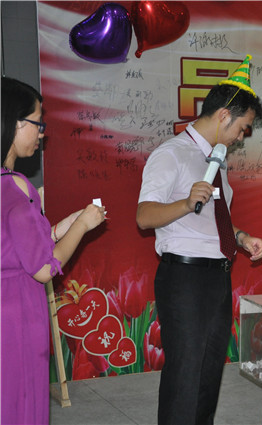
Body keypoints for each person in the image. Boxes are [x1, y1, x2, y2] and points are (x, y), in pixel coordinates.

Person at [136, 56, 262, 425]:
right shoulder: (171, 154)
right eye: (242, 128)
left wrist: (241, 237)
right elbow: (144, 216)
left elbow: (210, 219)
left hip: (217, 277)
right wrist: (184, 202)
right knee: (185, 375)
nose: (241, 137)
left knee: (209, 375)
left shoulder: (216, 160)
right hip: (185, 278)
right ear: (224, 115)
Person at [1, 76, 106, 424]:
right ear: (15, 123)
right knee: (21, 402)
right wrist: (83, 225)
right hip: (16, 315)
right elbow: (44, 268)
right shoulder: (15, 185)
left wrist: (62, 227)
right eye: (37, 123)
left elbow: (17, 246)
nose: (42, 133)